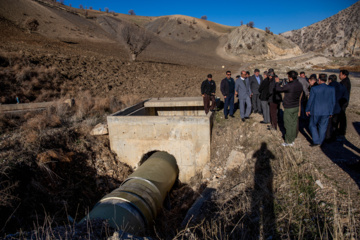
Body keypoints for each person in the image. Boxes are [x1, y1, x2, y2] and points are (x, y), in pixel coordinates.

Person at [306, 74, 336, 147]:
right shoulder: (331, 89)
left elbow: (310, 100)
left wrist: (307, 109)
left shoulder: (314, 89)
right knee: (323, 127)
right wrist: (331, 111)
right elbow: (333, 101)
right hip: (326, 111)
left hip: (315, 111)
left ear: (319, 80)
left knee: (312, 125)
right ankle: (321, 141)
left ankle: (316, 140)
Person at [275, 71, 303, 146]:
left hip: (289, 107)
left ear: (290, 78)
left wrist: (277, 82)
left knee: (287, 124)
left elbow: (278, 89)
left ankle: (288, 141)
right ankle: (292, 139)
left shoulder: (290, 85)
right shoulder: (299, 84)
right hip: (296, 106)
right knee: (294, 123)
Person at [325, 74, 348, 142]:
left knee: (329, 124)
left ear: (330, 80)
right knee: (335, 123)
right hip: (339, 108)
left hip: (330, 108)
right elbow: (345, 97)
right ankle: (334, 136)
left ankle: (328, 137)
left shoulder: (329, 87)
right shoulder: (342, 86)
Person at [338, 69, 351, 138]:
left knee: (342, 116)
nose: (339, 76)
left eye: (340, 75)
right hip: (344, 100)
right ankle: (341, 130)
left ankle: (342, 131)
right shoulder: (345, 81)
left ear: (344, 75)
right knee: (342, 116)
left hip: (343, 101)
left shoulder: (344, 83)